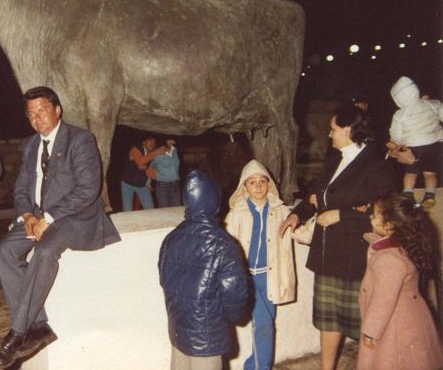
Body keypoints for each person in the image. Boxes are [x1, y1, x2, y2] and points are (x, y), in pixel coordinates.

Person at [0, 86, 120, 368]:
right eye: (31, 114)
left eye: (42, 110)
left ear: (57, 110)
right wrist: (27, 215)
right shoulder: (29, 146)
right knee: (4, 252)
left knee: (45, 251)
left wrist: (47, 219)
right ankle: (39, 326)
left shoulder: (80, 139)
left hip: (74, 217)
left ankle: (19, 332)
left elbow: (89, 190)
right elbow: (21, 188)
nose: (37, 118)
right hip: (37, 217)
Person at [281, 104, 395, 370]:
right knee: (328, 320)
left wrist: (341, 215)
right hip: (328, 254)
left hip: (357, 260)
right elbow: (315, 193)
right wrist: (297, 214)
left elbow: (386, 219)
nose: (329, 135)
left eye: (333, 130)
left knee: (366, 324)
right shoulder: (335, 159)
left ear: (349, 130)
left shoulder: (377, 166)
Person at [159, 170, 249, 370]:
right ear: (214, 202)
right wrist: (235, 318)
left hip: (178, 329)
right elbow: (234, 294)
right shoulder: (223, 243)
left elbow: (165, 282)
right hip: (207, 336)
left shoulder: (171, 238)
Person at [225, 160, 308, 370]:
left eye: (263, 181)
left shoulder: (280, 211)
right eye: (252, 182)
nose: (259, 186)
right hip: (248, 279)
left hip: (271, 277)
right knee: (263, 325)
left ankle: (252, 365)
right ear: (244, 187)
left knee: (265, 325)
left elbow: (299, 232)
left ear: (269, 184)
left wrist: (320, 226)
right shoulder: (236, 214)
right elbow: (226, 245)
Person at [357, 194, 443, 370]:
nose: (370, 217)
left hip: (393, 324)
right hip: (407, 317)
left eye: (374, 215)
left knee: (391, 360)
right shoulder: (403, 245)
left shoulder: (389, 260)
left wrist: (371, 332)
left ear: (389, 226)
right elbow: (379, 242)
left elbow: (383, 300)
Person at [387, 76, 443, 208]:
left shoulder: (400, 114)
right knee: (430, 173)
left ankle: (407, 193)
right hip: (434, 144)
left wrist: (396, 142)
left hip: (413, 147)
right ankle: (430, 195)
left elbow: (395, 133)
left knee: (411, 172)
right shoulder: (431, 104)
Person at [121, 134, 165, 211]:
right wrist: (156, 153)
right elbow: (140, 162)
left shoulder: (151, 153)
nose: (152, 143)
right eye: (150, 140)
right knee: (127, 211)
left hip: (142, 185)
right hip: (127, 185)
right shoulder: (135, 148)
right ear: (144, 142)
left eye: (154, 142)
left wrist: (148, 182)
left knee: (150, 209)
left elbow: (148, 169)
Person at [148, 139, 181, 207]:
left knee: (176, 209)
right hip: (163, 185)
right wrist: (148, 182)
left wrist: (172, 147)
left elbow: (176, 163)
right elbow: (149, 169)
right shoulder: (157, 155)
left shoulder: (174, 152)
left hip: (175, 185)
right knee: (164, 210)